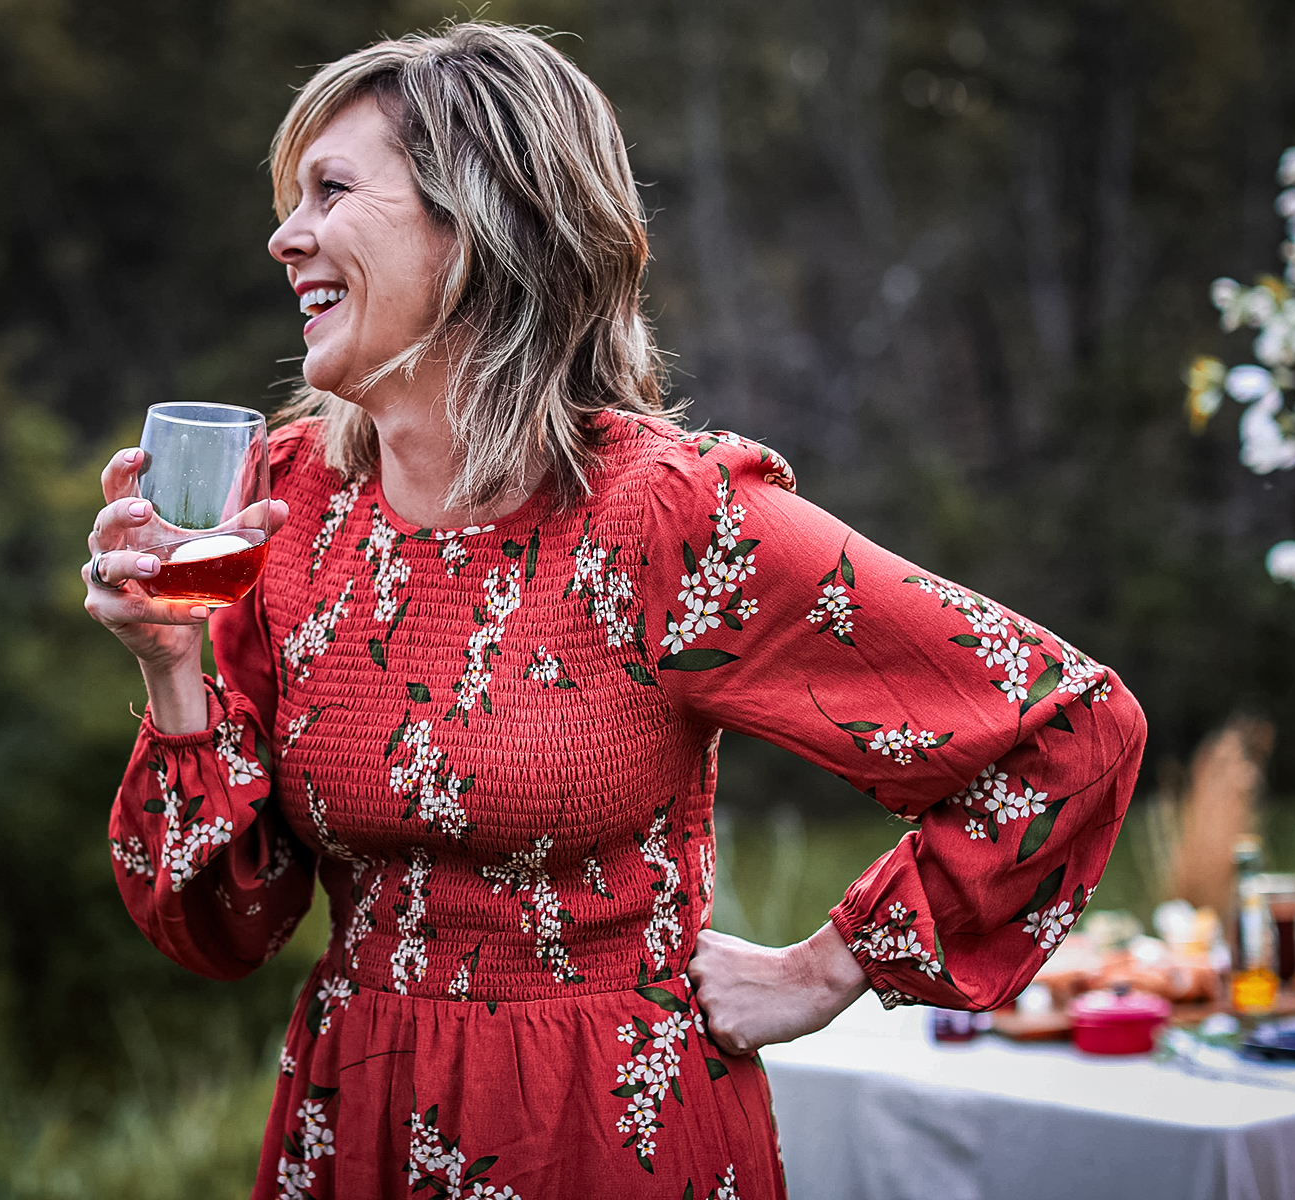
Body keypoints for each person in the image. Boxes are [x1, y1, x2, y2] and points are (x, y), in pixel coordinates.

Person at [83, 22, 1146, 1199]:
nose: (286, 235)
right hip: (356, 1123)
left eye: (332, 190)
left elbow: (1070, 728)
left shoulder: (667, 519)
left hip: (606, 1135)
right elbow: (224, 929)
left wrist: (827, 967)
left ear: (479, 218)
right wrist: (172, 668)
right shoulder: (289, 504)